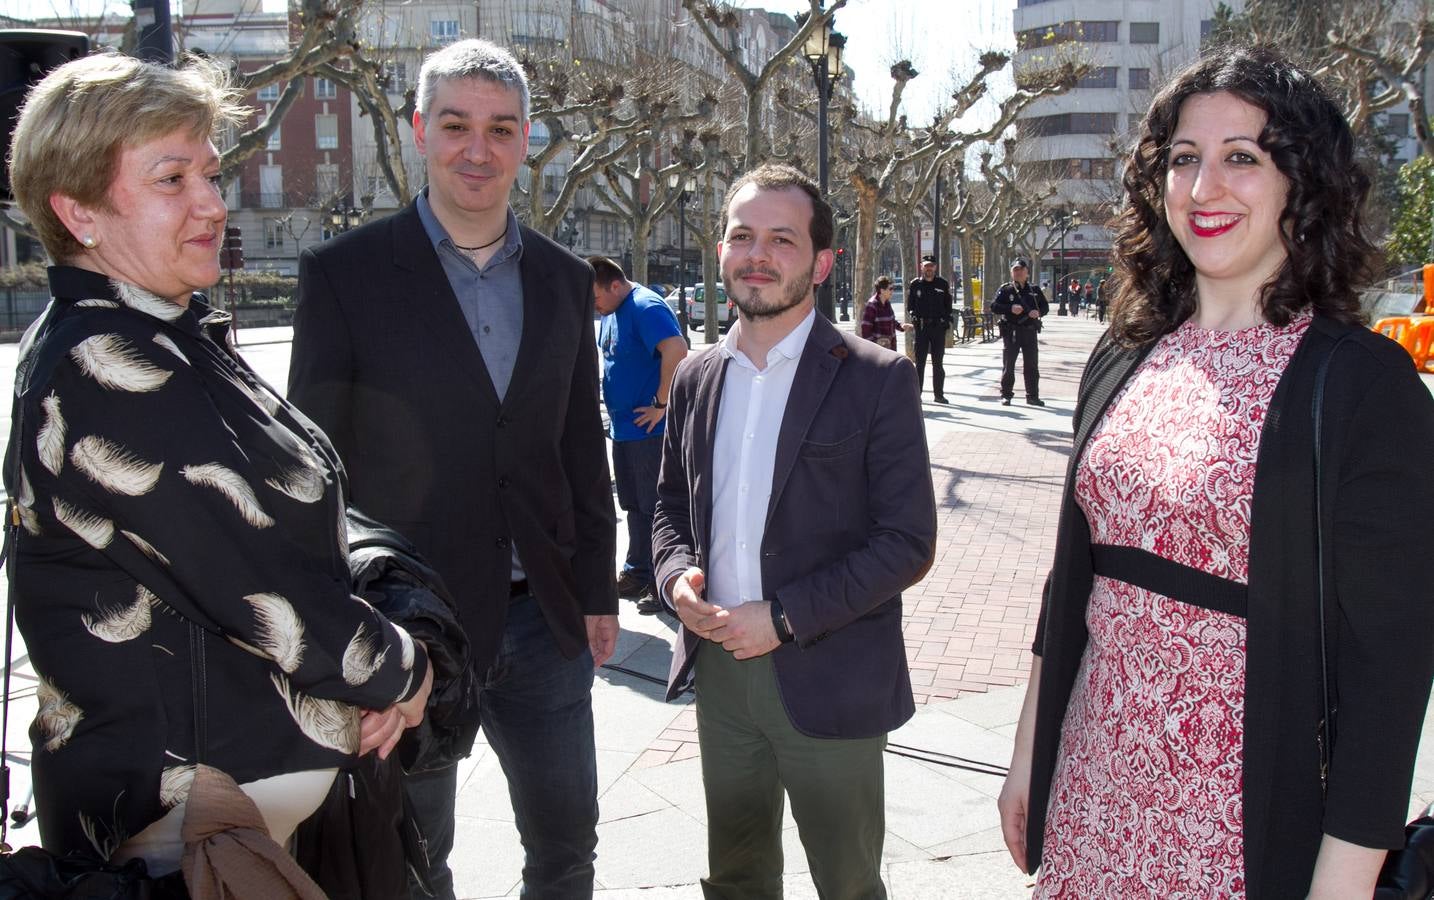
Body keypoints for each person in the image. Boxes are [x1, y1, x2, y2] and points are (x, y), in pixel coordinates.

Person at [997, 46, 1434, 899]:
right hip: (1094, 795)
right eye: (1184, 160)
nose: (1204, 189)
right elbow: (1073, 585)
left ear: (1301, 182)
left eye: (1243, 157)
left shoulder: (1360, 385)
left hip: (1239, 828)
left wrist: (1341, 885)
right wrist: (1028, 756)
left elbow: (1390, 669)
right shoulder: (1125, 353)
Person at [3, 52, 433, 879]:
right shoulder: (104, 360)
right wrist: (406, 673)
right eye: (172, 179)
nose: (212, 203)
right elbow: (260, 580)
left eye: (209, 172)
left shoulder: (160, 326)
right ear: (78, 211)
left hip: (241, 823)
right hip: (191, 845)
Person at [287, 38, 618, 899]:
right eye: (456, 125)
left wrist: (597, 593)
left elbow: (581, 443)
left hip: (542, 625)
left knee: (567, 849)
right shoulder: (344, 274)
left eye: (501, 128)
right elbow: (314, 470)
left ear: (526, 139)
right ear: (417, 132)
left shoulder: (561, 277)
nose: (479, 149)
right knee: (415, 862)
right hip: (409, 634)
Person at [652, 163, 937, 899]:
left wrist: (781, 618)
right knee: (737, 878)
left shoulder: (876, 378)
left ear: (822, 261)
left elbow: (907, 542)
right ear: (720, 250)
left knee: (847, 884)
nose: (758, 254)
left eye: (782, 238)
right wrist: (674, 575)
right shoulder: (695, 377)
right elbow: (669, 511)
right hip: (719, 677)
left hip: (830, 674)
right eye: (742, 235)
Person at [589, 255, 687, 614]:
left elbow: (676, 350)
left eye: (596, 297)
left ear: (615, 285)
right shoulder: (611, 312)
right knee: (632, 504)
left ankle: (659, 580)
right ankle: (637, 568)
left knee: (654, 506)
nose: (594, 307)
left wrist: (661, 404)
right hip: (625, 429)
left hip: (650, 430)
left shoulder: (645, 306)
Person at [989, 257, 1049, 406]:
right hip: (1012, 331)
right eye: (1015, 270)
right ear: (1011, 273)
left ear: (1027, 272)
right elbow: (994, 306)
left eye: (1021, 270)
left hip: (1029, 331)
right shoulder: (1006, 289)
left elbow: (1045, 307)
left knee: (1032, 365)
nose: (1018, 273)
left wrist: (1037, 312)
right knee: (1009, 365)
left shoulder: (1034, 290)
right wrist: (1010, 308)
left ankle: (1032, 396)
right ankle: (1006, 395)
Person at [907, 254, 953, 403]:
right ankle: (917, 395)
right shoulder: (915, 284)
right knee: (919, 363)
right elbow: (910, 306)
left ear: (935, 267)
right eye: (926, 266)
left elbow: (948, 306)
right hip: (921, 328)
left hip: (938, 329)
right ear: (921, 267)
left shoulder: (942, 284)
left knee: (938, 363)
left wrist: (945, 321)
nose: (929, 269)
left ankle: (939, 395)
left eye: (931, 266)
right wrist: (914, 317)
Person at [859, 275, 910, 350]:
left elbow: (891, 321)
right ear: (882, 290)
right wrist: (873, 347)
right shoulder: (872, 305)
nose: (892, 291)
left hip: (890, 348)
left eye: (893, 288)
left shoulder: (887, 303)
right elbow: (865, 329)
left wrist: (901, 326)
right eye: (890, 289)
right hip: (878, 352)